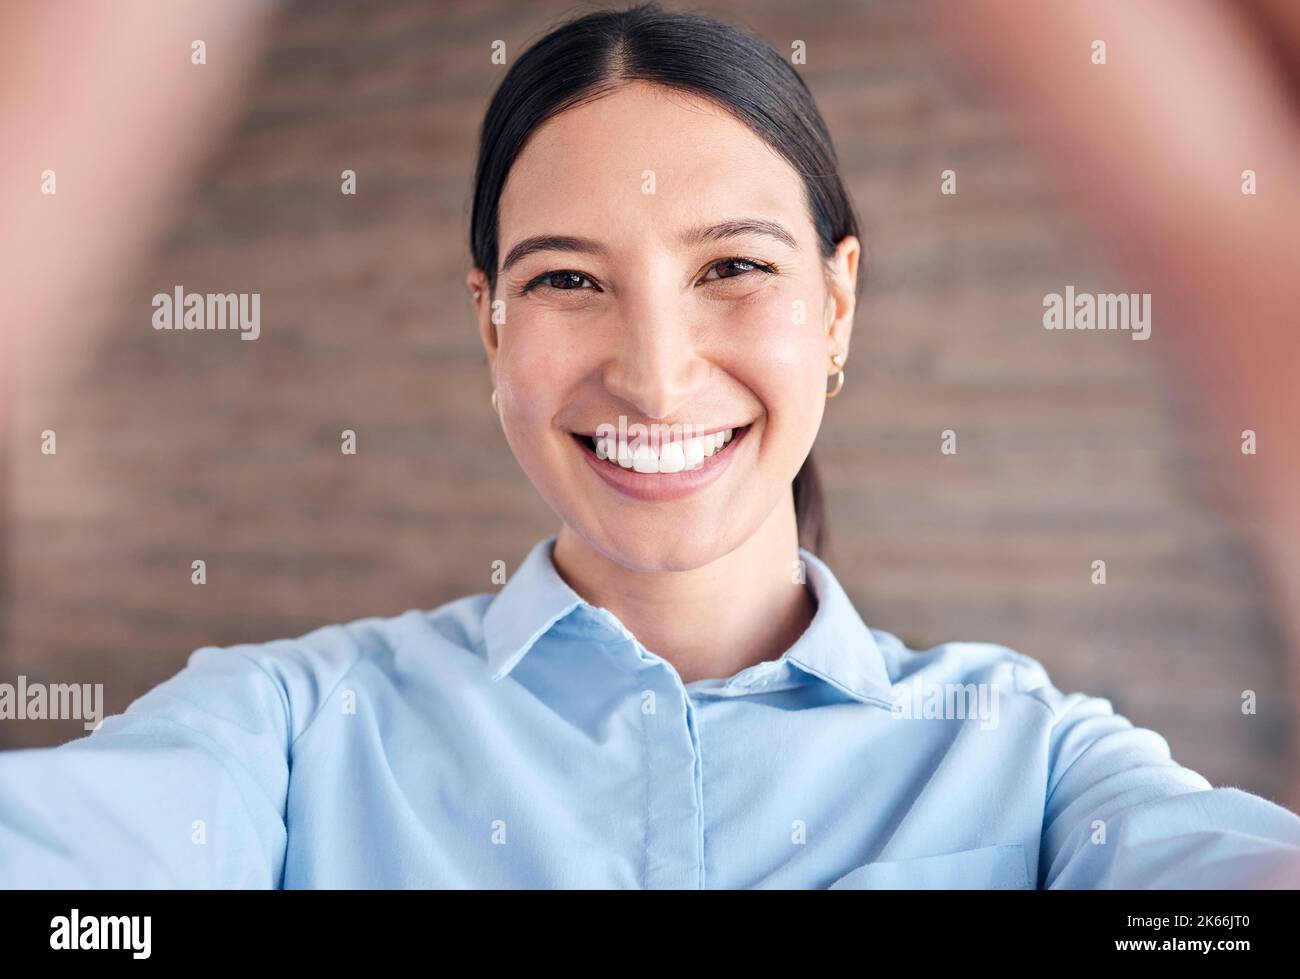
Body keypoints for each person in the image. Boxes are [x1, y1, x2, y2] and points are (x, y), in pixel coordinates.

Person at [3, 2, 1299, 889]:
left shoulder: (1034, 757)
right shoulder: (284, 737)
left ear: (837, 306)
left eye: (733, 266)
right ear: (491, 324)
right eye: (568, 282)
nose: (657, 369)